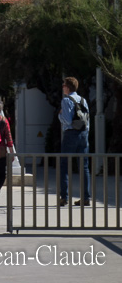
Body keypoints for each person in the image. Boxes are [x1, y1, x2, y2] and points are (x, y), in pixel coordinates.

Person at [59, 76, 91, 206]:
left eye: (64, 85)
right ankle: (86, 197)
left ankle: (64, 197)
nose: (62, 87)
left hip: (70, 134)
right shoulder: (83, 100)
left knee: (65, 165)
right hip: (84, 134)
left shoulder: (66, 100)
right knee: (84, 167)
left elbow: (67, 120)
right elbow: (87, 120)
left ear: (67, 87)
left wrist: (59, 115)